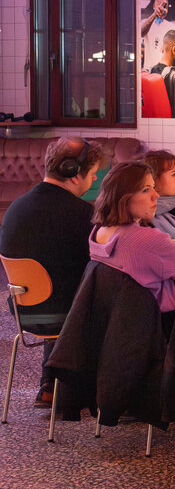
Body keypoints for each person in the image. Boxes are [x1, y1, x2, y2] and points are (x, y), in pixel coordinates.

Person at [0, 136, 102, 405]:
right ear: (74, 172)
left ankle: (51, 384)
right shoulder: (82, 213)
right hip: (64, 316)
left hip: (23, 312)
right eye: (92, 175)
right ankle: (121, 392)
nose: (92, 182)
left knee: (63, 286)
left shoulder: (16, 208)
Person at [88, 161, 175, 314]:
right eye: (145, 190)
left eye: (154, 187)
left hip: (123, 321)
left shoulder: (97, 233)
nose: (156, 195)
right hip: (167, 319)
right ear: (124, 198)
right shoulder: (146, 240)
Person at [139, 0, 174, 69]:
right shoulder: (146, 22)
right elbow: (141, 33)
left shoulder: (171, 26)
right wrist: (155, 14)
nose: (162, 9)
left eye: (165, 7)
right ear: (154, 6)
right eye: (160, 6)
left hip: (165, 71)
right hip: (149, 70)